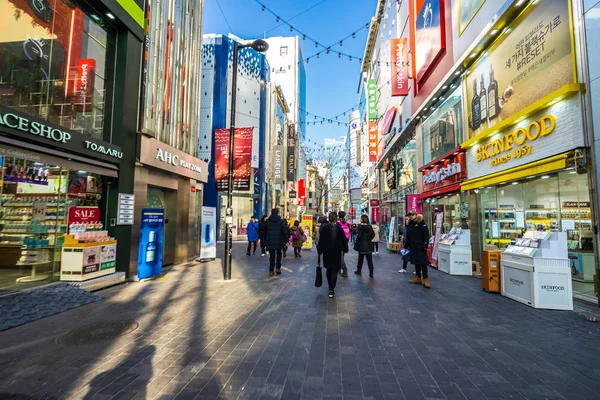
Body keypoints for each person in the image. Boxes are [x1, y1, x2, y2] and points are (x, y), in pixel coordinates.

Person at [317, 212, 349, 298]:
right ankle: (332, 289)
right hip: (336, 252)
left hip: (327, 252)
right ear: (336, 218)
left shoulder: (325, 228)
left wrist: (320, 251)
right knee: (334, 270)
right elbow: (344, 240)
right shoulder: (339, 229)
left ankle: (329, 285)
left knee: (328, 269)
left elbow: (321, 241)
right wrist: (345, 249)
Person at [404, 212, 431, 288]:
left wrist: (425, 244)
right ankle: (418, 277)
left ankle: (425, 279)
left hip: (421, 246)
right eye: (410, 215)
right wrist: (406, 245)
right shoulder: (409, 224)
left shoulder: (421, 222)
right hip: (413, 246)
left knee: (423, 263)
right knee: (416, 262)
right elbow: (408, 236)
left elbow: (426, 234)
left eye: (413, 215)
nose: (411, 216)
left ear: (416, 215)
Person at [265, 208, 289, 276]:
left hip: (270, 241)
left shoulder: (267, 221)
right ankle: (278, 268)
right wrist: (287, 240)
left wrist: (265, 241)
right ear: (277, 213)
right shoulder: (281, 221)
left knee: (272, 256)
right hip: (279, 241)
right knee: (279, 255)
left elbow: (265, 232)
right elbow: (284, 232)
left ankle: (271, 270)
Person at [337, 211, 351, 277]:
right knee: (342, 256)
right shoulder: (347, 223)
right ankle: (339, 270)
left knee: (340, 257)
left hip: (339, 242)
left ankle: (344, 270)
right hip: (346, 241)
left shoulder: (338, 223)